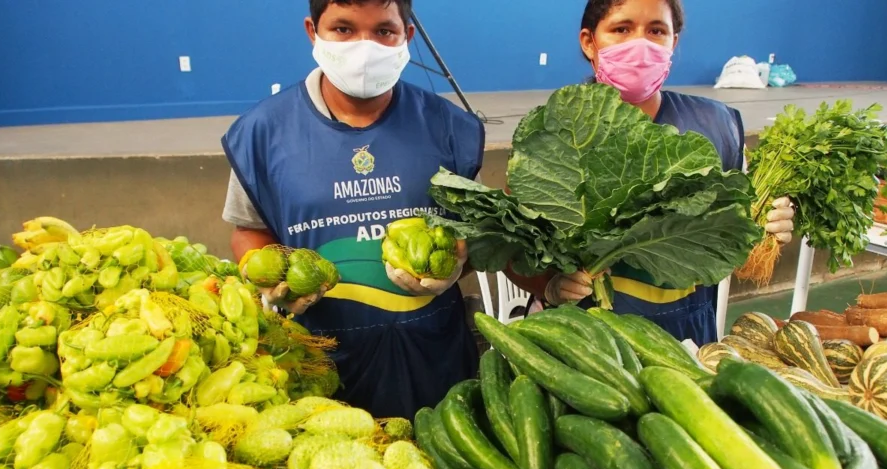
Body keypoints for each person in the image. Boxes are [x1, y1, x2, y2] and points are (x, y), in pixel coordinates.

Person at [221, 0, 485, 419]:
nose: (365, 47)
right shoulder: (262, 133)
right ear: (313, 31)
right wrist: (267, 277)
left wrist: (460, 262)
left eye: (383, 31)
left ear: (407, 37)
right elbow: (249, 230)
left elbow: (476, 231)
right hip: (319, 359)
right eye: (343, 29)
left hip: (435, 354)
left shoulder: (450, 127)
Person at [511, 0, 795, 346]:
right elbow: (512, 245)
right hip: (581, 338)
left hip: (686, 337)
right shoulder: (553, 135)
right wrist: (549, 285)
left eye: (656, 31)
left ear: (674, 41)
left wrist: (765, 230)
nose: (640, 44)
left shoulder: (717, 126)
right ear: (589, 41)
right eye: (622, 29)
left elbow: (735, 253)